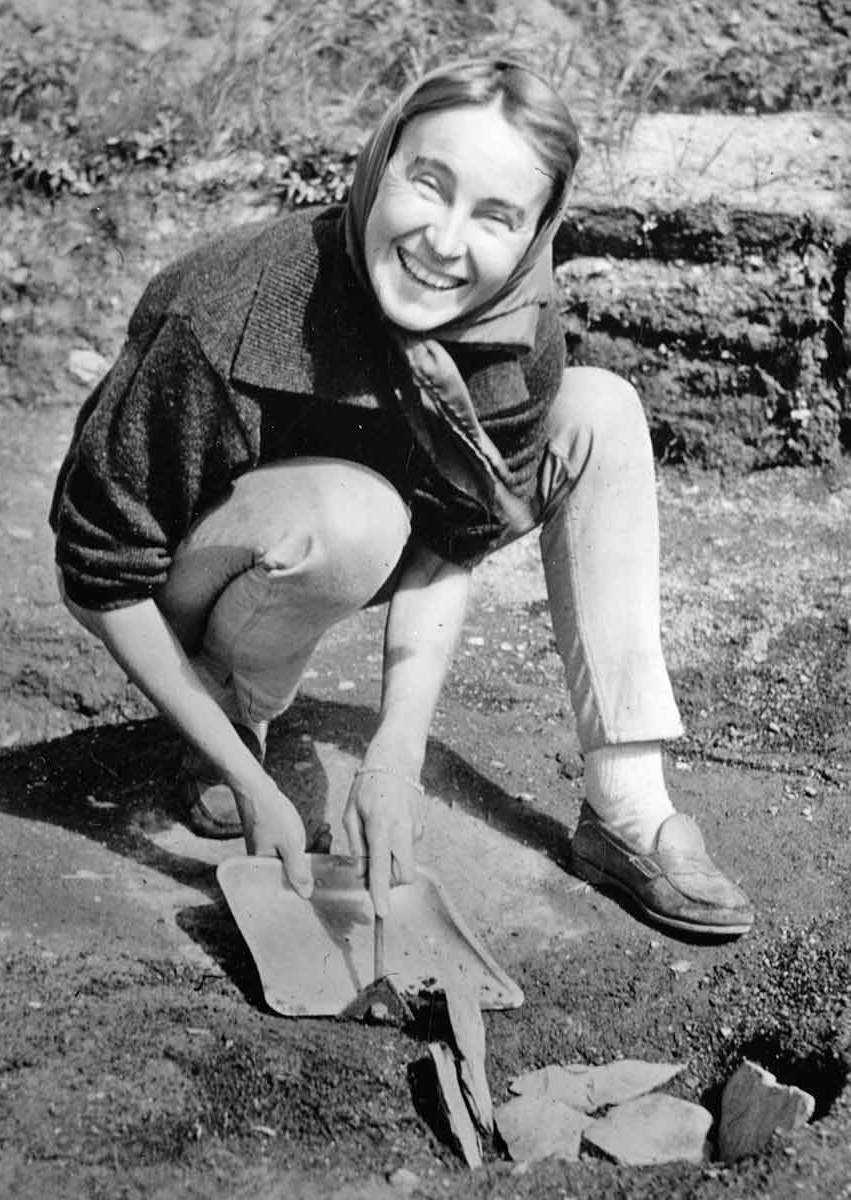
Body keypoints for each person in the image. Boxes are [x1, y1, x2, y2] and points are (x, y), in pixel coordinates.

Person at [49, 57, 753, 937]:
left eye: (496, 216)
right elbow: (99, 573)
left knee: (600, 409)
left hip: (359, 544)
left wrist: (394, 756)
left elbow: (454, 537)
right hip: (202, 573)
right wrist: (244, 772)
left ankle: (631, 811)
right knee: (357, 516)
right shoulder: (229, 310)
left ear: (537, 233)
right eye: (429, 183)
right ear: (381, 163)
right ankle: (230, 709)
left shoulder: (512, 327)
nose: (444, 243)